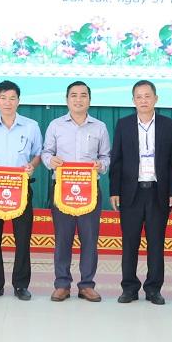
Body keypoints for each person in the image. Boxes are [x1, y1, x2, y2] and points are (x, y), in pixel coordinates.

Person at [109, 80, 172, 305]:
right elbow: (117, 160)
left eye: (147, 96)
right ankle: (129, 288)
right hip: (131, 193)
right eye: (139, 97)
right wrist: (114, 190)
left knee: (156, 243)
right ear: (133, 101)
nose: (143, 100)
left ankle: (153, 289)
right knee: (129, 243)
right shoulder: (124, 124)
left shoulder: (169, 126)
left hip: (158, 192)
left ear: (156, 99)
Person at [42, 81, 110, 302]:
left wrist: (101, 165)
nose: (78, 99)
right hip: (62, 189)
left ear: (89, 99)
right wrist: (50, 160)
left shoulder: (99, 127)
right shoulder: (55, 125)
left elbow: (106, 157)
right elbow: (46, 153)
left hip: (89, 190)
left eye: (83, 95)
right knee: (63, 238)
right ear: (67, 99)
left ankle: (87, 285)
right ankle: (62, 284)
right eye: (74, 95)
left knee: (89, 238)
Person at [0, 80, 42, 301]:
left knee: (22, 239)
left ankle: (21, 285)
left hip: (21, 188)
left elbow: (38, 154)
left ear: (18, 101)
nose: (8, 102)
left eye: (12, 98)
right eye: (3, 98)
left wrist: (32, 165)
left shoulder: (31, 126)